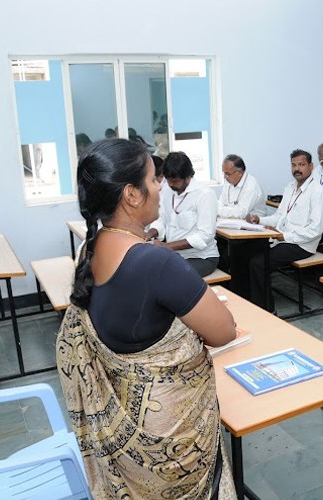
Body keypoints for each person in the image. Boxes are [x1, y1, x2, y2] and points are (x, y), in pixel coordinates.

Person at [56, 138, 237, 499]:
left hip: (127, 444)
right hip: (170, 437)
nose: (160, 188)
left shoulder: (89, 250)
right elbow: (224, 331)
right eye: (154, 180)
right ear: (131, 195)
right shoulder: (157, 263)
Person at [245, 149, 323, 310]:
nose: (297, 169)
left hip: (303, 244)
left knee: (259, 263)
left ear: (311, 166)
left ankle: (266, 309)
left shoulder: (317, 192)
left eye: (301, 164)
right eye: (294, 165)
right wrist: (259, 220)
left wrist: (284, 236)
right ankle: (249, 299)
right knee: (246, 251)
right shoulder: (290, 187)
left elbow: (315, 230)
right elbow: (279, 216)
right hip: (284, 239)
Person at [147, 152, 220, 277]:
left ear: (188, 177)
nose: (170, 184)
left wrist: (167, 246)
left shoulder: (204, 195)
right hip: (174, 255)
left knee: (169, 276)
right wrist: (150, 233)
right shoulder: (167, 191)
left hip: (201, 257)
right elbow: (162, 219)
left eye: (175, 181)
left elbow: (205, 235)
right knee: (145, 270)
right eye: (168, 180)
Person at [217, 153, 265, 219]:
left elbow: (240, 213)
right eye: (224, 173)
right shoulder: (228, 181)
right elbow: (221, 203)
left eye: (227, 174)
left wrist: (218, 210)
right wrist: (219, 210)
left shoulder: (251, 186)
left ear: (239, 173)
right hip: (232, 221)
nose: (225, 177)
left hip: (252, 225)